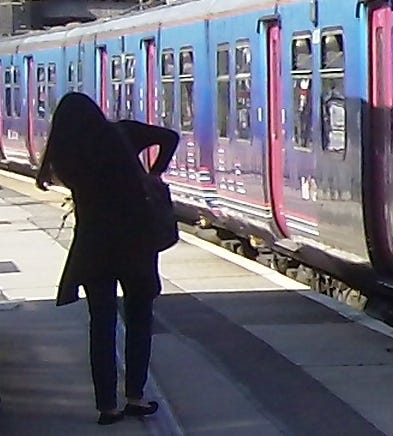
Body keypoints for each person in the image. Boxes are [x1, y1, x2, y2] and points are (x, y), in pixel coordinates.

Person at [36, 92, 179, 425]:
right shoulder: (123, 133)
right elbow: (169, 138)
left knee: (101, 325)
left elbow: (53, 179)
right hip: (135, 242)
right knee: (140, 319)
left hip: (94, 246)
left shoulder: (66, 153)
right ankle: (136, 396)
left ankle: (107, 406)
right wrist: (154, 173)